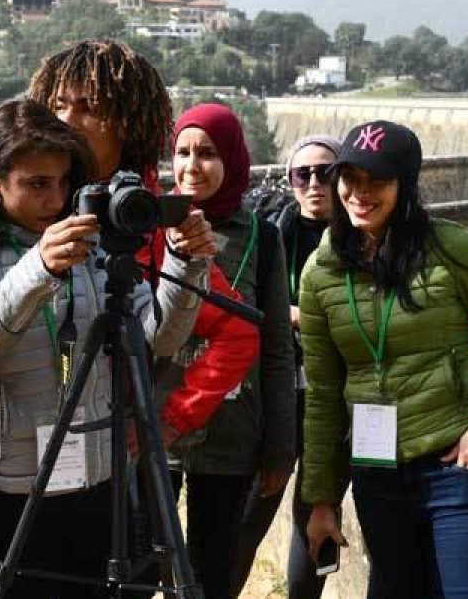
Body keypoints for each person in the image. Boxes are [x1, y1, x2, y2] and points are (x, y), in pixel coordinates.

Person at [0, 100, 212, 598]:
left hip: (97, 484)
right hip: (10, 491)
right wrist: (36, 269)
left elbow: (160, 338)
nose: (55, 199)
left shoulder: (93, 246)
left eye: (64, 182)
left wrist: (185, 264)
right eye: (37, 183)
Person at [301, 120, 468, 598]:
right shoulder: (320, 272)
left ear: (405, 186)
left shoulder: (450, 247)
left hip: (463, 471)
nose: (360, 193)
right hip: (379, 478)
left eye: (377, 181)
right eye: (350, 178)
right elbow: (324, 396)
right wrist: (322, 500)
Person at [158, 103, 295, 599]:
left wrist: (280, 447)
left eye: (208, 153)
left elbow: (276, 348)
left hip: (232, 432)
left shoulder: (262, 237)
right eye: (183, 152)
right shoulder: (153, 226)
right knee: (143, 564)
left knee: (214, 569)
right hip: (158, 424)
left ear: (232, 159)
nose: (192, 166)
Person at [232, 134, 343, 598]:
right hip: (277, 395)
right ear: (290, 180)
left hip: (335, 402)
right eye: (303, 174)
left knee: (317, 522)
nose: (314, 184)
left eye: (326, 173)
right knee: (245, 522)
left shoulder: (363, 236)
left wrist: (298, 314)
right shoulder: (273, 232)